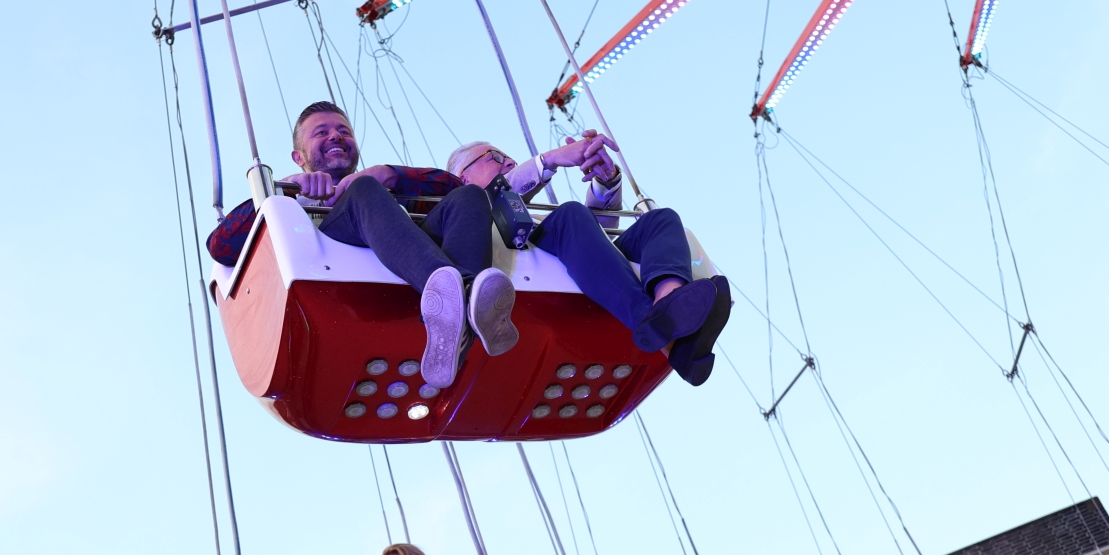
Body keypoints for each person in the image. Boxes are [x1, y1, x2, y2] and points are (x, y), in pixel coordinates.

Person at [206, 101, 517, 388]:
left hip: (406, 250)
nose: (336, 136)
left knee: (469, 197)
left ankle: (455, 316)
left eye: (344, 131)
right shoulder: (291, 202)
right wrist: (286, 190)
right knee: (363, 191)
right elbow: (221, 246)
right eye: (321, 132)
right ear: (299, 157)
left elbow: (453, 186)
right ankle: (465, 299)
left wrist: (389, 174)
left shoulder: (388, 192)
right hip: (331, 257)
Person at [447, 134, 732, 386]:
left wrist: (606, 182)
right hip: (521, 255)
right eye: (494, 157)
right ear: (463, 177)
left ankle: (668, 302)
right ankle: (663, 332)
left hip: (583, 264)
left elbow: (596, 234)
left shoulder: (535, 214)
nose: (509, 161)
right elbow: (499, 193)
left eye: (508, 157)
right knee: (570, 214)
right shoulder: (460, 209)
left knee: (660, 219)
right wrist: (551, 159)